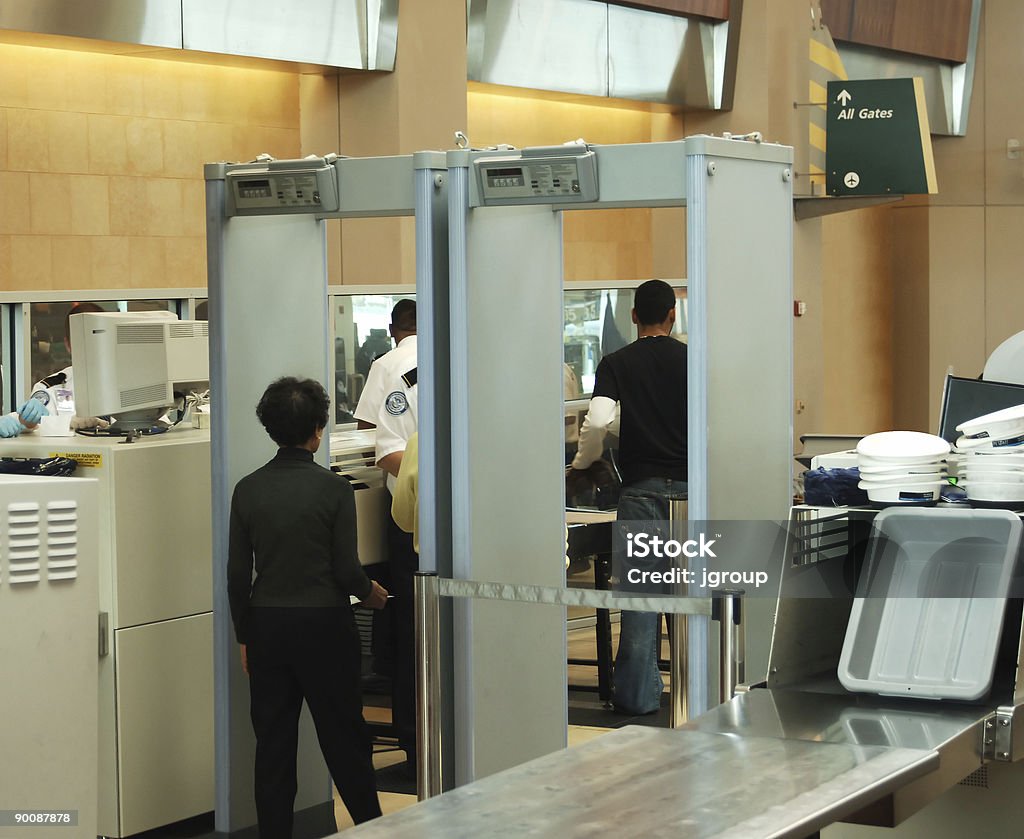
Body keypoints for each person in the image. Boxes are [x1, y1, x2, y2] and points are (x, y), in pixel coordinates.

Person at [227, 377, 388, 836]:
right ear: (318, 430)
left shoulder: (248, 489)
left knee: (273, 745)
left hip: (268, 627)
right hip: (325, 627)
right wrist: (371, 593)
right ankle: (372, 829)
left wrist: (245, 635)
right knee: (344, 738)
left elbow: (238, 576)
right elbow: (345, 568)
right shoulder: (333, 489)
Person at [570, 280, 687, 716]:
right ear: (672, 315)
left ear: (634, 316)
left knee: (640, 595)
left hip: (641, 492)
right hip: (691, 496)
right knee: (691, 594)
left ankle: (638, 698)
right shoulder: (692, 359)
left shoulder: (617, 362)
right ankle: (700, 692)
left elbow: (598, 420)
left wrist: (583, 463)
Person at [369, 311, 420, 776]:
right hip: (415, 524)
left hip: (479, 523)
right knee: (411, 630)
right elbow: (387, 451)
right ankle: (415, 740)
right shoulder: (404, 376)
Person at [30, 301, 109, 431]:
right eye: (82, 340)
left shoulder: (132, 382)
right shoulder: (48, 389)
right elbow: (38, 431)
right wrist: (66, 424)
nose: (92, 348)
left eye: (97, 339)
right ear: (68, 345)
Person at [353, 299, 417, 431]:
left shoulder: (383, 364)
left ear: (391, 330)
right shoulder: (444, 360)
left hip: (400, 450)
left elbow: (366, 426)